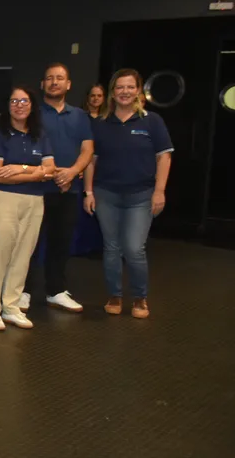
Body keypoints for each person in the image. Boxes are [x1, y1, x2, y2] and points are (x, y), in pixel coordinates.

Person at [84, 68, 173, 318]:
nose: (124, 92)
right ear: (113, 92)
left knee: (134, 248)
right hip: (106, 194)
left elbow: (164, 157)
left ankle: (140, 297)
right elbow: (91, 160)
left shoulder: (151, 121)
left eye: (130, 87)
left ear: (138, 90)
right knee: (111, 248)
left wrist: (160, 191)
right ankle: (114, 295)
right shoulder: (100, 123)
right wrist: (88, 192)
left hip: (141, 195)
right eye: (119, 87)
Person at [22, 63, 94, 314]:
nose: (54, 82)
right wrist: (50, 172)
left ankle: (55, 291)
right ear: (42, 84)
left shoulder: (80, 116)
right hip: (37, 188)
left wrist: (72, 172)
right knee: (28, 244)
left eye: (60, 78)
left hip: (67, 189)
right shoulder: (32, 113)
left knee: (60, 243)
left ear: (68, 84)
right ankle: (22, 291)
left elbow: (87, 150)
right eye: (49, 78)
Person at [0, 87, 55, 331]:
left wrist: (20, 169)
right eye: (14, 101)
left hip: (34, 203)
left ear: (32, 105)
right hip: (2, 199)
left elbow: (50, 170)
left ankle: (11, 306)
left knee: (24, 255)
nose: (19, 105)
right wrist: (36, 172)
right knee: (0, 253)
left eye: (24, 101)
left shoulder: (40, 134)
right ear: (8, 105)